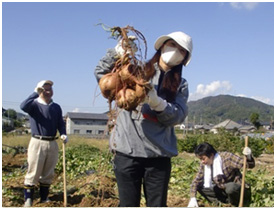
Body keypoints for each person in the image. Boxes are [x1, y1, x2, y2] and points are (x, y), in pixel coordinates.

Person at [94, 31, 193, 207]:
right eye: (172, 45)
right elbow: (104, 77)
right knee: (128, 204)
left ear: (184, 59)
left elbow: (178, 115)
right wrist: (118, 53)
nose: (175, 51)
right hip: (127, 152)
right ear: (162, 46)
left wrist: (157, 102)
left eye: (182, 50)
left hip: (158, 156)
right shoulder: (136, 70)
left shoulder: (181, 84)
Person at [20, 80, 68, 207]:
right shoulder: (34, 105)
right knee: (34, 171)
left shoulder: (56, 107)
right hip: (37, 141)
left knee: (48, 172)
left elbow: (60, 123)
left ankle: (44, 197)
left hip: (52, 142)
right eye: (45, 89)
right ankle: (28, 199)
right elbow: (23, 106)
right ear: (39, 91)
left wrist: (63, 133)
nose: (48, 92)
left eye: (50, 89)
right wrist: (35, 93)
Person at [188, 142, 255, 207]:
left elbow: (248, 165)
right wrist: (193, 198)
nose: (202, 162)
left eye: (203, 159)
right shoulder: (205, 165)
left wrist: (248, 157)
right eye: (200, 159)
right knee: (200, 186)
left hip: (237, 190)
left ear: (211, 155)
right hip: (222, 189)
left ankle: (235, 204)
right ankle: (222, 203)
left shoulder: (227, 158)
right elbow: (196, 181)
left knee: (230, 187)